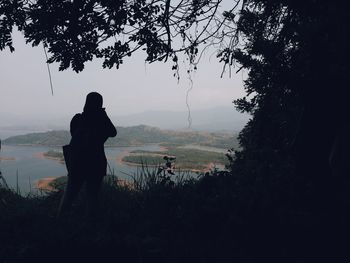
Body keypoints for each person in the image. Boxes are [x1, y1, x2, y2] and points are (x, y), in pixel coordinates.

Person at [57, 92, 117, 219]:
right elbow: (113, 132)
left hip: (78, 163)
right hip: (96, 164)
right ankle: (89, 226)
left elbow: (74, 135)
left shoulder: (77, 119)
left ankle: (60, 222)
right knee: (92, 198)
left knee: (69, 195)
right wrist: (104, 115)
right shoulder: (101, 122)